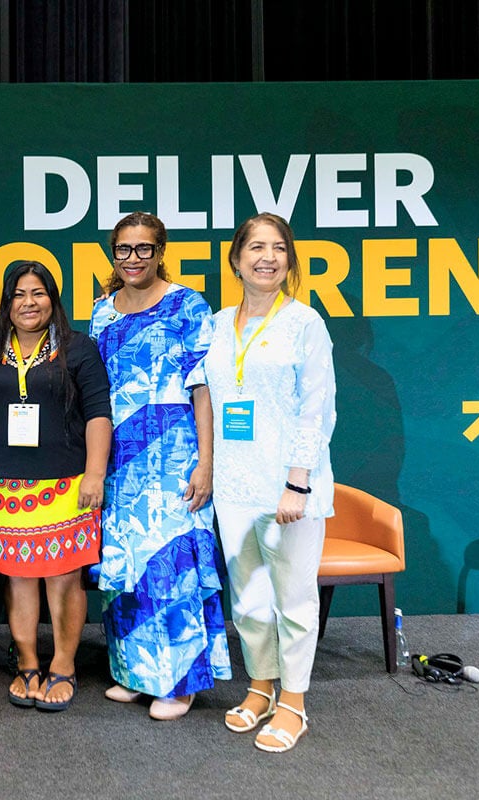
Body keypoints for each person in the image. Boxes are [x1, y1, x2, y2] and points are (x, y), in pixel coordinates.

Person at [89, 211, 231, 721]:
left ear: (160, 251)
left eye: (143, 249)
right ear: (113, 253)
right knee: (125, 566)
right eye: (123, 249)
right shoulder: (101, 311)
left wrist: (206, 463)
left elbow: (203, 388)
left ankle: (178, 683)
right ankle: (133, 672)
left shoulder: (189, 305)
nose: (133, 259)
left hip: (175, 455)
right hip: (120, 457)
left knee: (172, 566)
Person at [203, 212, 336, 753]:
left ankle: (294, 703)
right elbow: (208, 398)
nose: (267, 257)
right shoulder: (216, 322)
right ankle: (259, 687)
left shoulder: (305, 323)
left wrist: (298, 484)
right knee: (250, 599)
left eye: (278, 248)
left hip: (290, 487)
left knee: (295, 601)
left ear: (290, 260)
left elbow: (316, 409)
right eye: (255, 247)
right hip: (235, 485)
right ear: (236, 259)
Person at [0, 261, 111, 711]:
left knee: (63, 580)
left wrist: (95, 474)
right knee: (16, 581)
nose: (28, 303)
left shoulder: (78, 348)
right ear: (6, 302)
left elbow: (97, 414)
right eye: (19, 294)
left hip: (67, 485)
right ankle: (29, 663)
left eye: (38, 293)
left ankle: (65, 665)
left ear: (53, 299)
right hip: (4, 486)